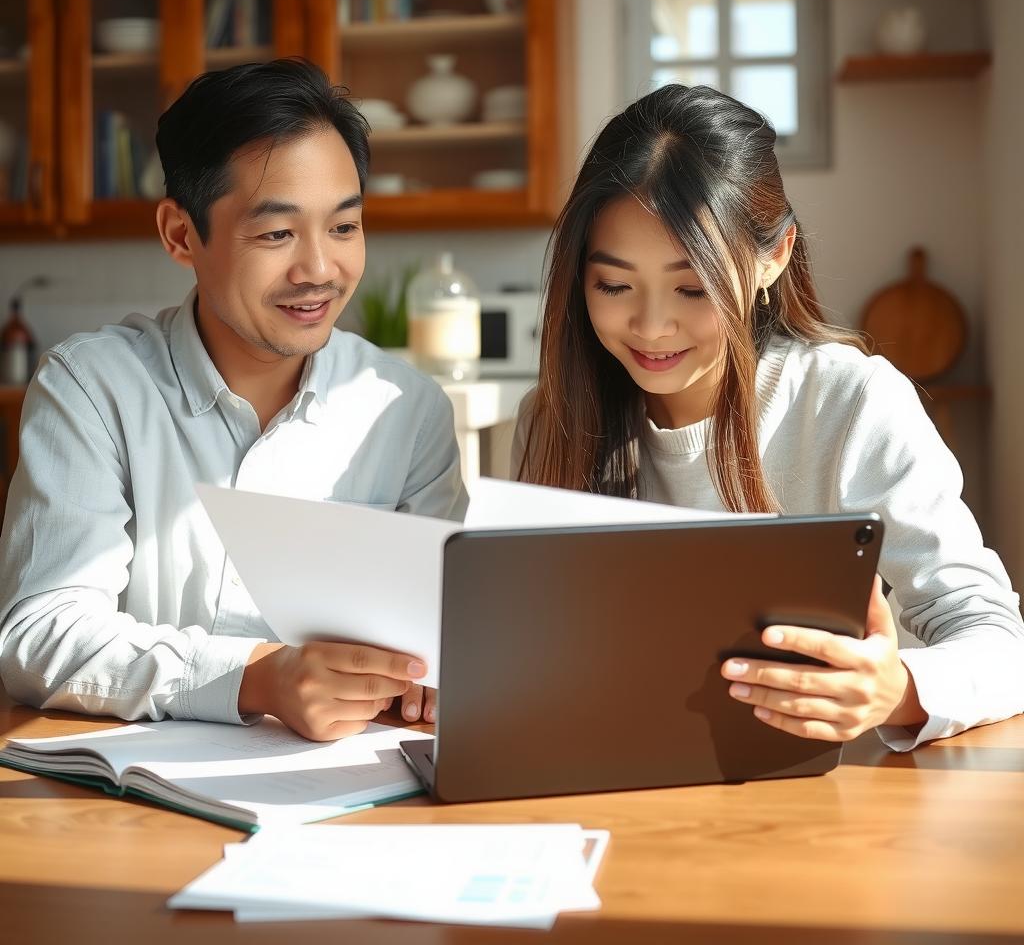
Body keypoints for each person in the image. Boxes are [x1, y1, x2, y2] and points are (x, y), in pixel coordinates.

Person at [513, 83, 1024, 751]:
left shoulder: (850, 401)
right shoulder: (552, 417)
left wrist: (895, 691)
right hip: (608, 776)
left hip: (810, 790)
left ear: (773, 257)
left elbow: (996, 639)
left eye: (693, 287)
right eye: (614, 285)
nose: (651, 326)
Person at [0, 59, 466, 740]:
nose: (319, 269)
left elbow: (443, 635)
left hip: (349, 784)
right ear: (180, 234)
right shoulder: (92, 388)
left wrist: (432, 672)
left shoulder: (408, 410)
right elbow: (40, 634)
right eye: (277, 233)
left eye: (344, 227)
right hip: (131, 789)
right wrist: (258, 677)